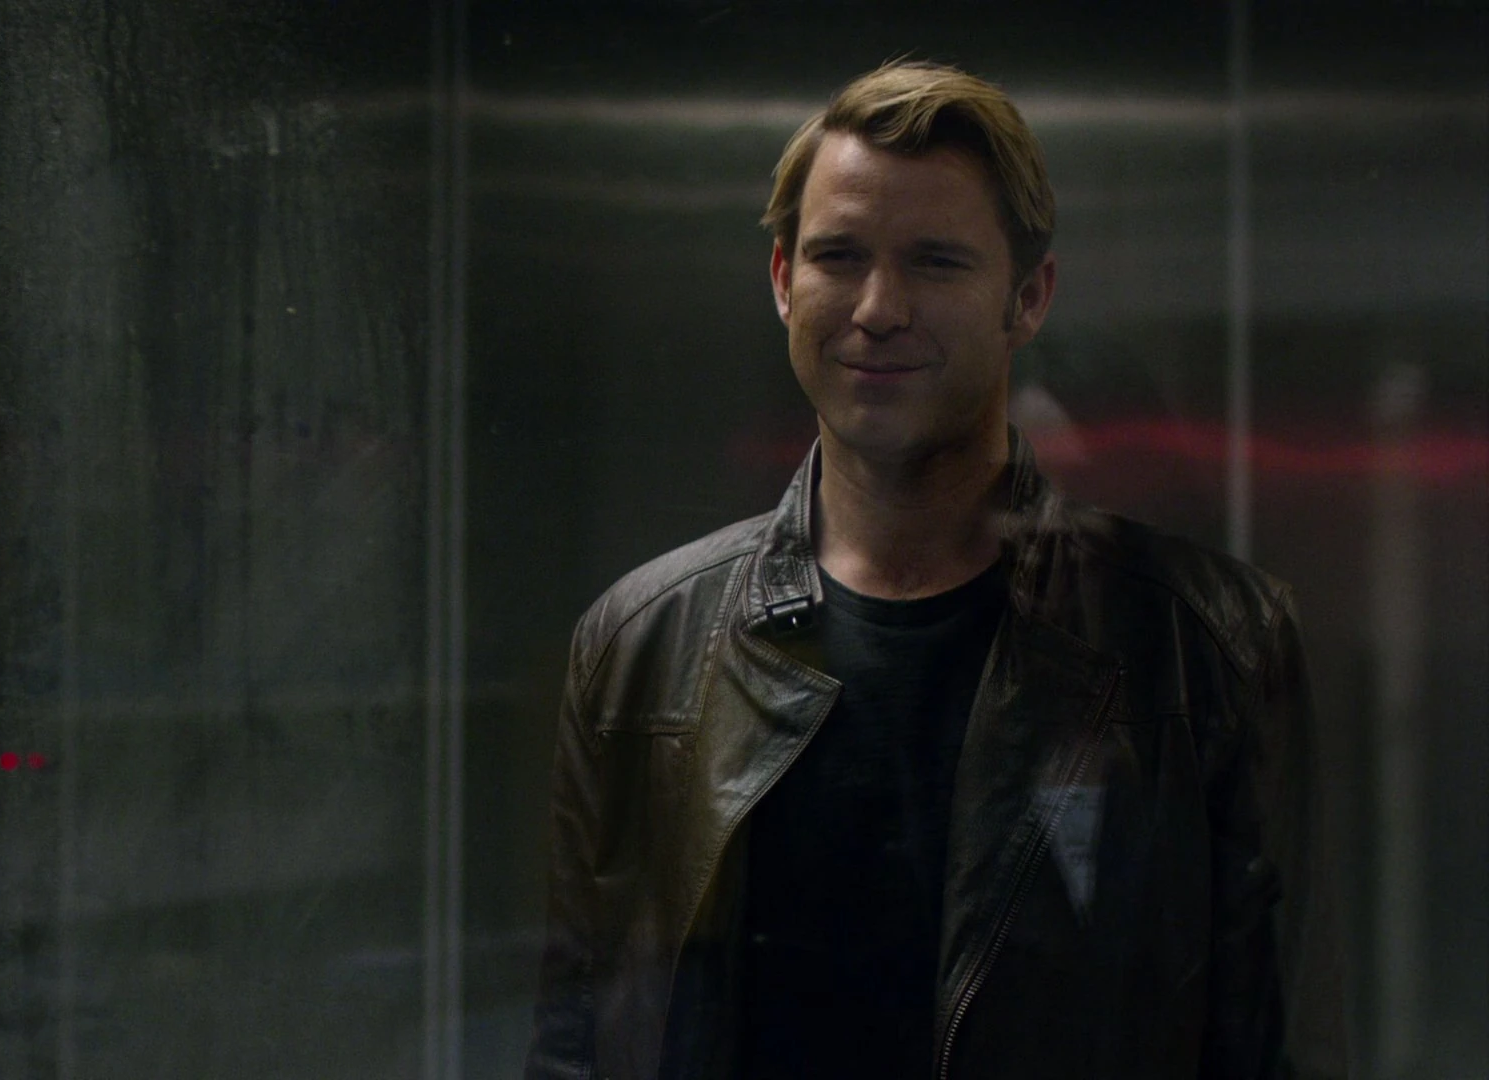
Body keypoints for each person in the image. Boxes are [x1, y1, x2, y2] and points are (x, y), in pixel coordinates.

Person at [525, 60, 1344, 1080]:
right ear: (782, 281)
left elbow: (1277, 1045)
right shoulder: (643, 644)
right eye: (838, 256)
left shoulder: (1209, 645)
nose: (879, 307)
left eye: (937, 262)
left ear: (1027, 298)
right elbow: (578, 1044)